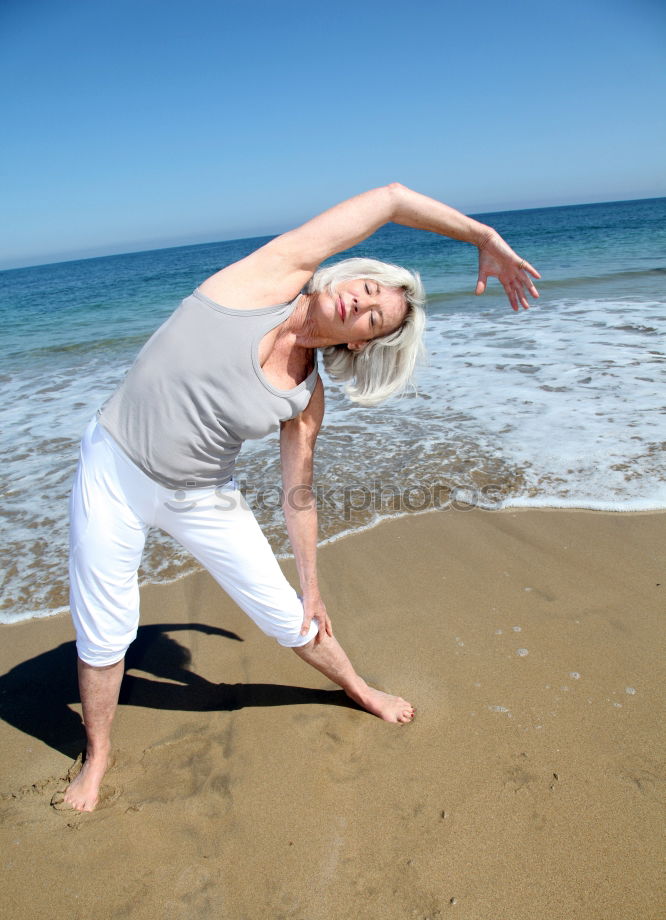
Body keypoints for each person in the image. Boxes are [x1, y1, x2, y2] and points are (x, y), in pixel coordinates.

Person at [63, 182, 540, 811]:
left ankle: (359, 689)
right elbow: (393, 199)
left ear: (360, 343)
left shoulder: (304, 394)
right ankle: (97, 758)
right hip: (114, 467)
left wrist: (312, 582)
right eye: (367, 289)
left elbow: (298, 492)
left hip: (203, 494)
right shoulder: (268, 276)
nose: (359, 302)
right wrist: (483, 237)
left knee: (293, 615)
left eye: (373, 316)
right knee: (104, 631)